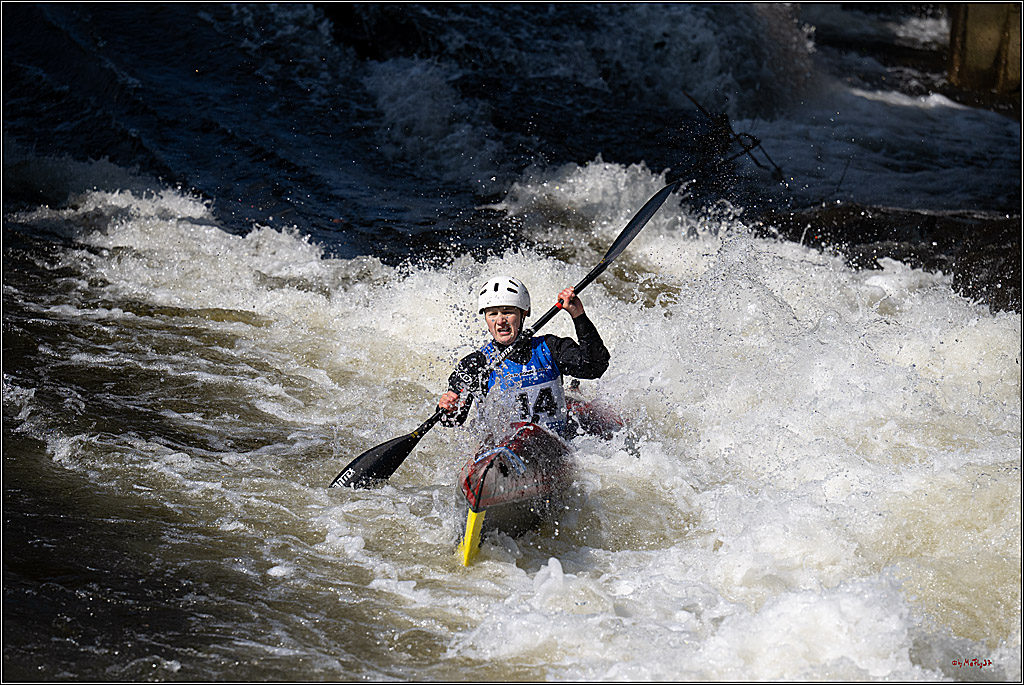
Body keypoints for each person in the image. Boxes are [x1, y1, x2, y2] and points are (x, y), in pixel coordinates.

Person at [437, 276, 610, 437]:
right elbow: (453, 421)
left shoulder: (550, 348)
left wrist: (578, 315)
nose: (500, 321)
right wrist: (448, 408)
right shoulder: (476, 364)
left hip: (554, 442)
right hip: (504, 446)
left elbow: (595, 367)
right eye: (493, 314)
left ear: (524, 313)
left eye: (507, 312)